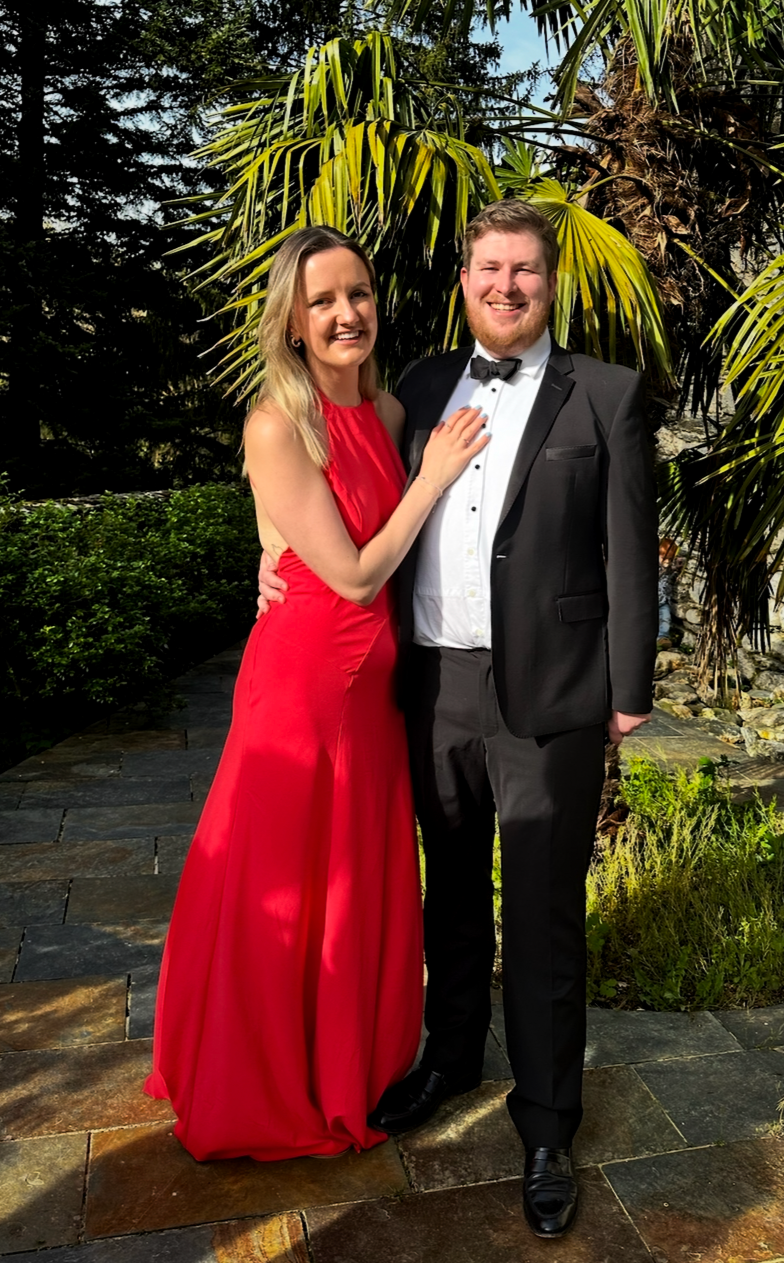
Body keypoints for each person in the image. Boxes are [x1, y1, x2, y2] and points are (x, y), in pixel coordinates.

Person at [261, 200, 658, 1233]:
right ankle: (448, 1055)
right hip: (429, 689)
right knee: (441, 900)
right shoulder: (421, 389)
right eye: (489, 267)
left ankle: (545, 1125)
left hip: (551, 698)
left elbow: (628, 550)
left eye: (524, 269)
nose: (506, 285)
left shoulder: (607, 395)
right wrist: (269, 552)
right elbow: (322, 473)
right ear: (465, 277)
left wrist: (628, 693)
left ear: (550, 279)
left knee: (540, 916)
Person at [146, 225, 489, 1161]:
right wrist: (430, 480)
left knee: (352, 890)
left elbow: (290, 537)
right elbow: (352, 575)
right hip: (301, 694)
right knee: (284, 891)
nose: (346, 314)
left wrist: (267, 551)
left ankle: (348, 1066)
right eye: (323, 301)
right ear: (292, 323)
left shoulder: (381, 414)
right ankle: (262, 1083)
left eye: (359, 294)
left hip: (373, 700)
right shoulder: (275, 421)